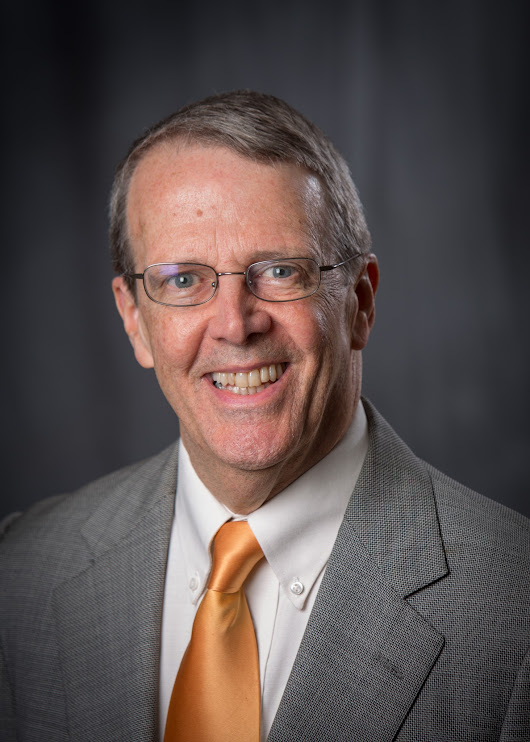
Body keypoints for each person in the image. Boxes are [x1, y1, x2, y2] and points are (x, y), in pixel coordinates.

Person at [1, 91, 528, 742]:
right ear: (134, 319)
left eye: (280, 271)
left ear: (360, 302)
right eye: (183, 280)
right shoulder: (21, 573)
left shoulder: (513, 609)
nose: (235, 324)